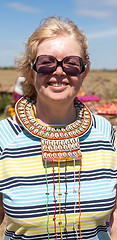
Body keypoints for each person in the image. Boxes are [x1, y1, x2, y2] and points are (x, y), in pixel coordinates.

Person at [0, 16, 117, 240]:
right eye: (47, 62)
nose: (60, 71)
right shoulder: (4, 138)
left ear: (83, 71)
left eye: (72, 63)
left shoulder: (106, 133)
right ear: (31, 70)